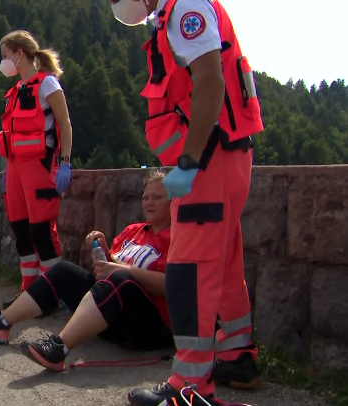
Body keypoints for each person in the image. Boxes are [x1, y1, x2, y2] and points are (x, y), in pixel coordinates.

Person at [109, 0, 263, 405]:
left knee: (188, 271)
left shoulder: (184, 8)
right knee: (225, 264)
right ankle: (236, 356)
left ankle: (189, 387)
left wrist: (190, 160)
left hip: (207, 160)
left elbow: (211, 82)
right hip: (223, 156)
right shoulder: (177, 11)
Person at [0, 169, 173, 370]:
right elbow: (109, 271)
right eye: (145, 198)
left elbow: (171, 286)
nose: (149, 203)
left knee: (121, 278)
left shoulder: (176, 238)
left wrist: (120, 269)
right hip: (114, 317)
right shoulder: (133, 231)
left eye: (157, 198)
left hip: (148, 328)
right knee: (63, 270)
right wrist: (103, 253)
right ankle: (2, 322)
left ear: (173, 201)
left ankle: (59, 347)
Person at [0, 29, 74, 310]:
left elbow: (64, 124)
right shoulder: (15, 91)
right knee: (21, 232)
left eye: (6, 55)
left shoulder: (47, 84)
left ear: (19, 53)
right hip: (15, 169)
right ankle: (29, 294)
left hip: (40, 167)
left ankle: (52, 295)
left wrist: (65, 162)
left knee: (41, 232)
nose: (3, 62)